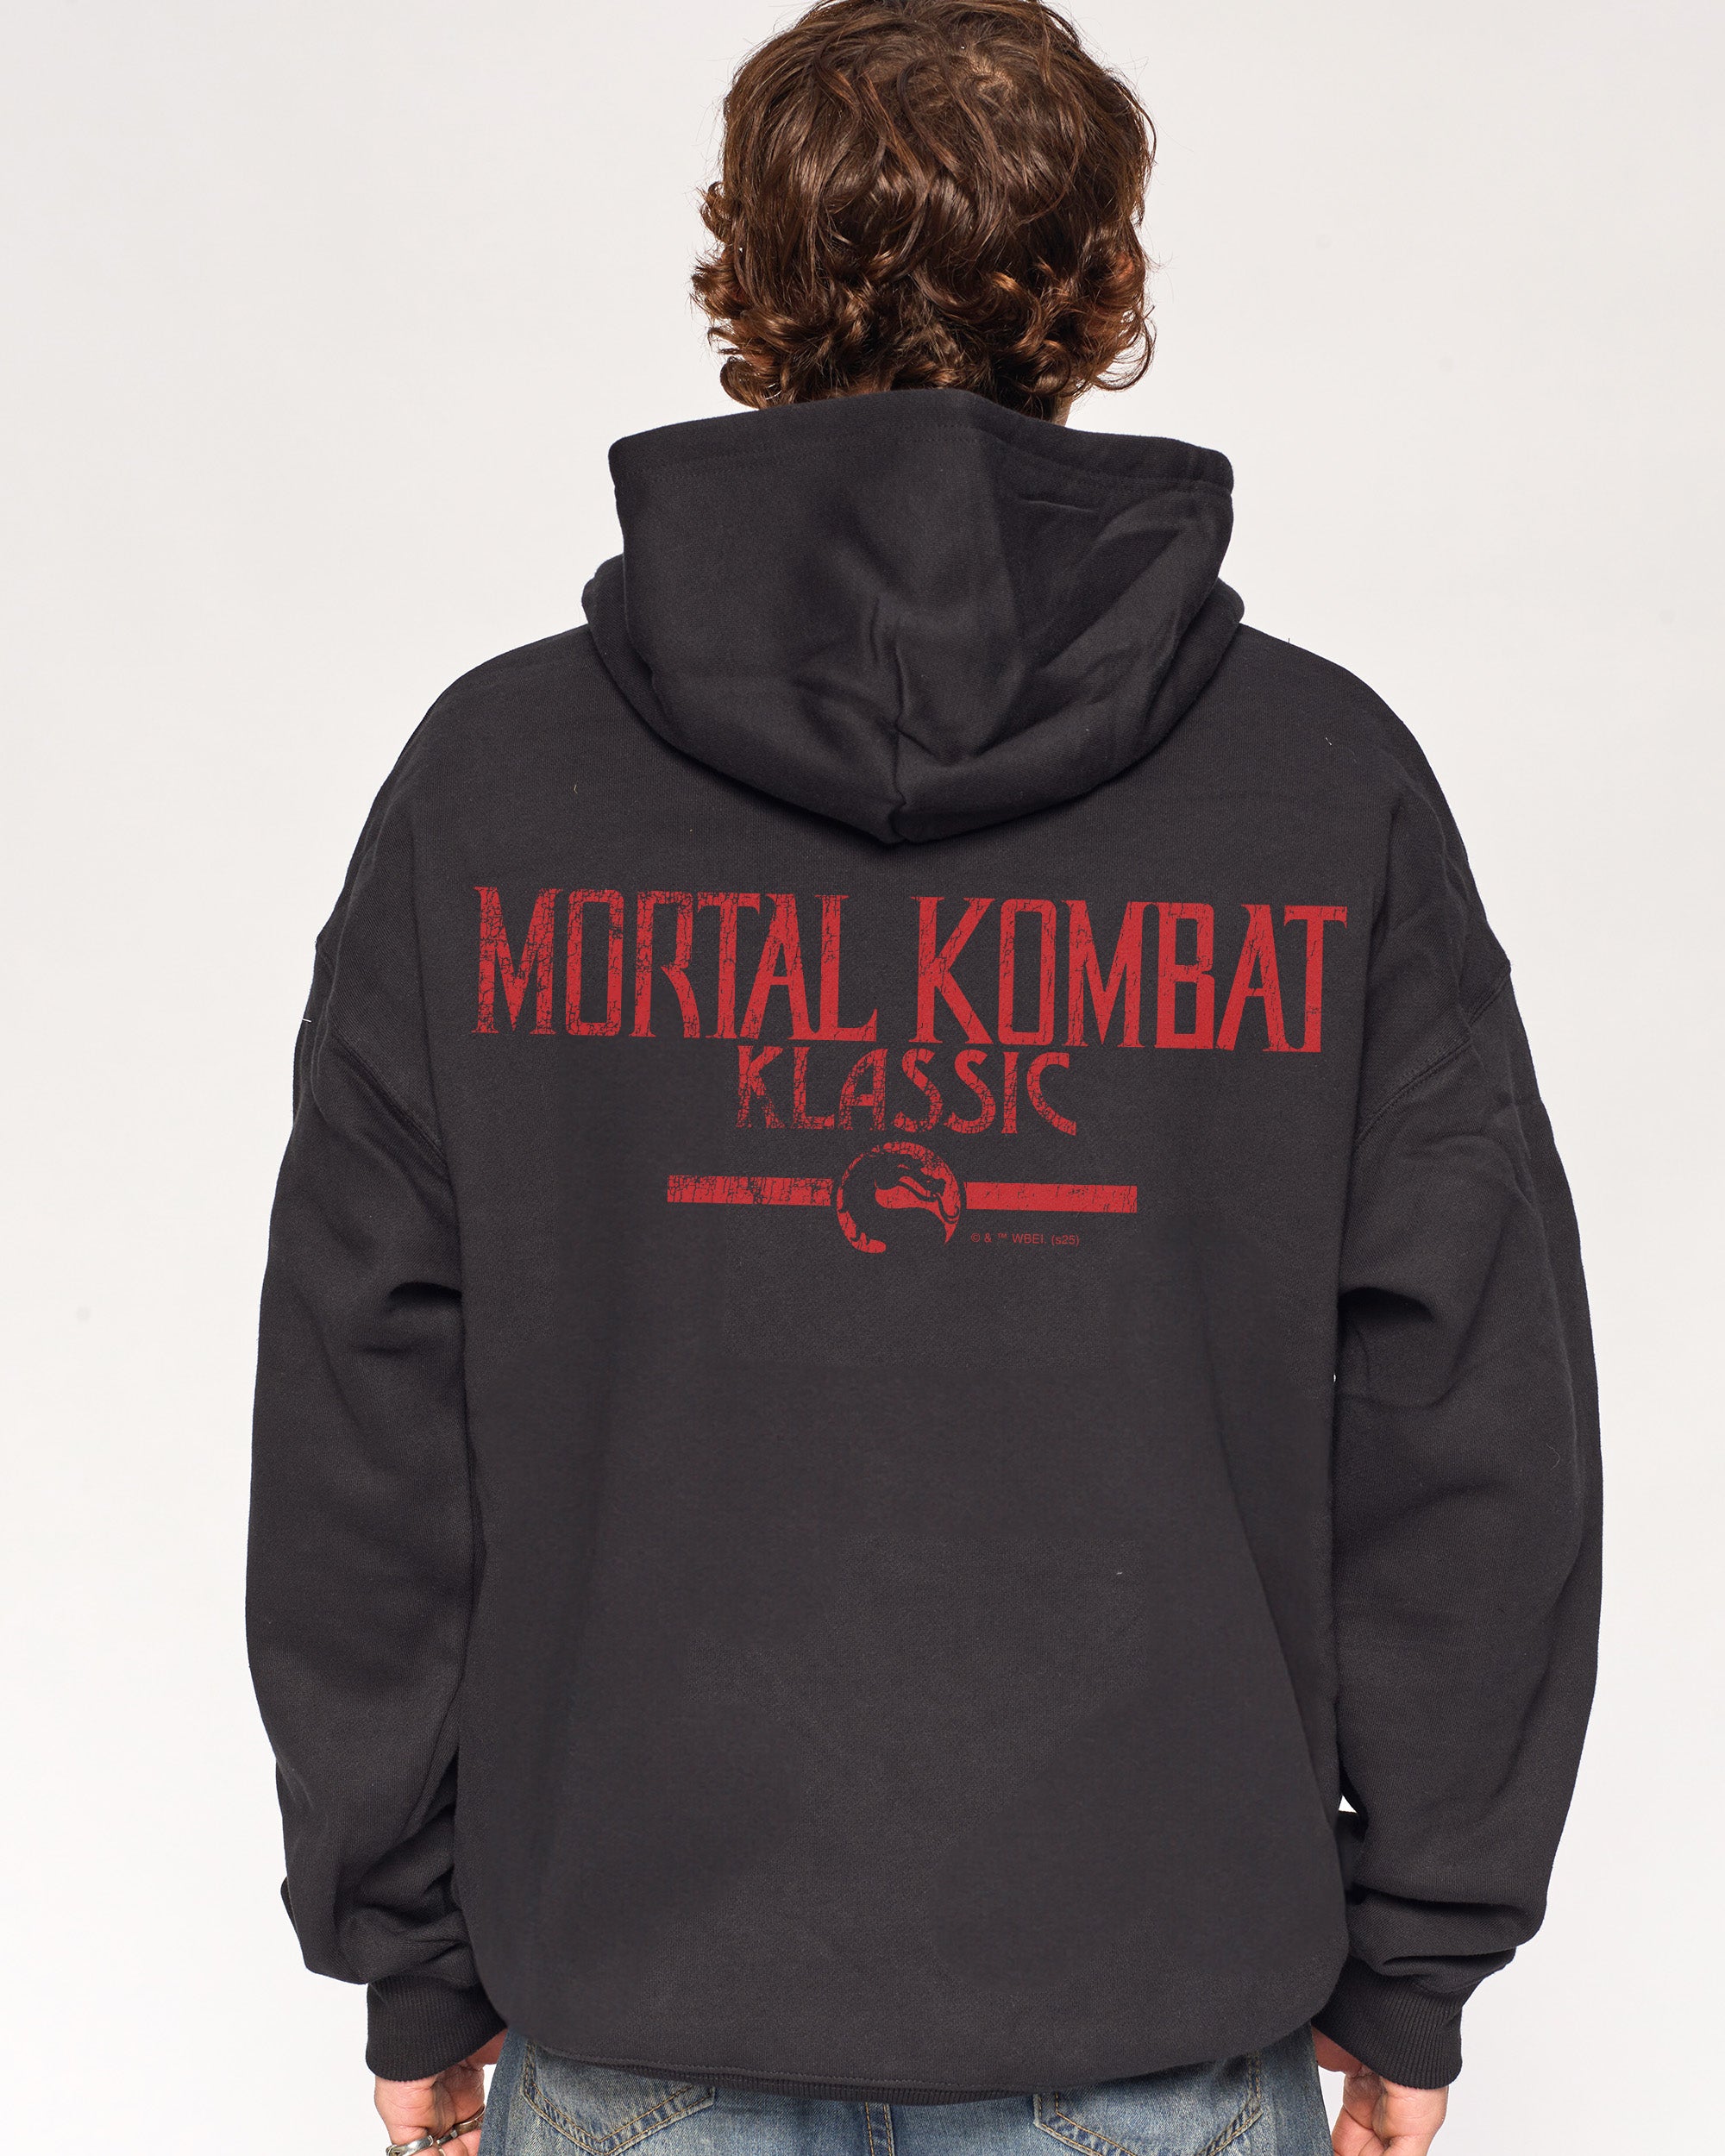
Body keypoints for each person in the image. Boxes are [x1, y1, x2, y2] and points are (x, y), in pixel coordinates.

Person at [246, 3, 1601, 2153]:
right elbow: (1470, 1409)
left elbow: (362, 1410)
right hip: (1151, 2009)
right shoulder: (1316, 787)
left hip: (637, 1995)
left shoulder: (494, 788)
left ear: (745, 276)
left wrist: (405, 1937)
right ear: (1104, 285)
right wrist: (1418, 1953)